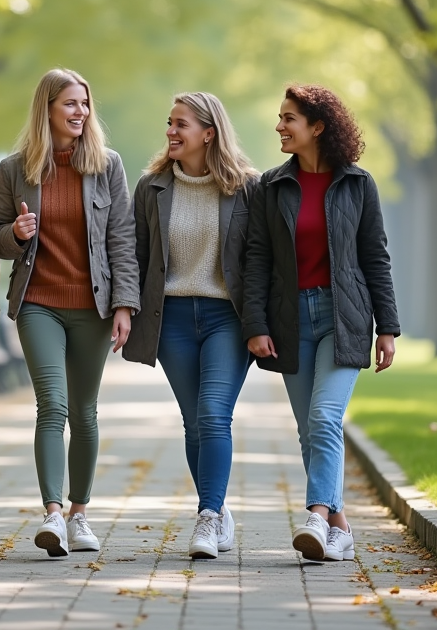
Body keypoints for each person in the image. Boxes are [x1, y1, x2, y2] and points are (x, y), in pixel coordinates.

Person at [243, 84, 399, 563]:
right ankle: (340, 527)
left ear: (317, 127)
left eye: (289, 118)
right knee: (309, 431)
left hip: (343, 316)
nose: (279, 126)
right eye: (280, 117)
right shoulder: (271, 186)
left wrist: (387, 327)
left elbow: (375, 257)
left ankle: (315, 516)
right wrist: (255, 323)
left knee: (325, 417)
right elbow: (257, 258)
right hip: (290, 320)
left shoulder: (358, 184)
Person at [0, 67, 139, 558]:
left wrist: (124, 304)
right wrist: (16, 234)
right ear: (47, 109)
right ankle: (53, 514)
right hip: (38, 303)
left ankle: (80, 514)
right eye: (70, 103)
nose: (81, 112)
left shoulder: (106, 165)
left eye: (84, 103)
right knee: (52, 405)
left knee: (84, 412)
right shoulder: (15, 169)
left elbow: (121, 238)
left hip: (93, 306)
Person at [123, 92, 259, 559]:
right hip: (173, 320)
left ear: (209, 133)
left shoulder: (247, 188)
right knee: (194, 422)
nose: (171, 131)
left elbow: (259, 262)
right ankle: (217, 509)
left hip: (227, 318)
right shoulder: (152, 187)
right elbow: (135, 257)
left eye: (181, 124)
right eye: (170, 122)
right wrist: (126, 310)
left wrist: (261, 323)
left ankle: (207, 515)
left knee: (213, 413)